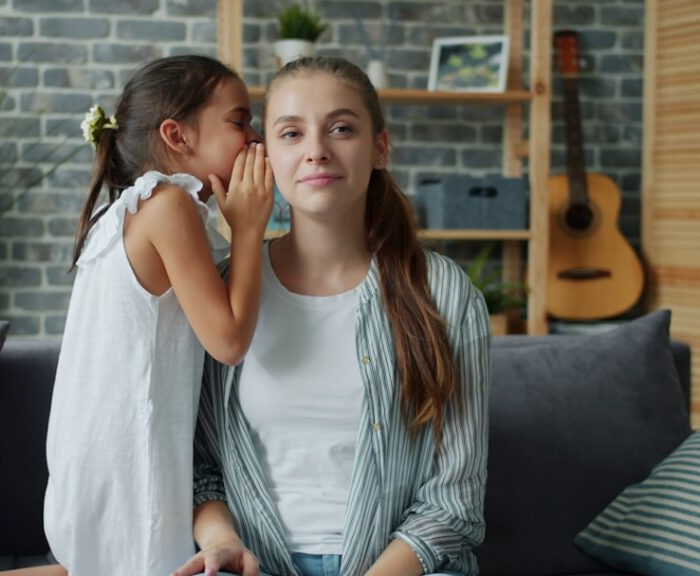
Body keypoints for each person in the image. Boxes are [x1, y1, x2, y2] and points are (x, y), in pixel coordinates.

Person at [0, 54, 274, 576]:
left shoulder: (122, 212)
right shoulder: (169, 207)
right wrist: (248, 230)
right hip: (130, 460)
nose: (254, 137)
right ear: (177, 135)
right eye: (239, 121)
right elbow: (228, 341)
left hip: (89, 456)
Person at [172, 56, 492, 576]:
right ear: (264, 155)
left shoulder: (443, 292)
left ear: (380, 148)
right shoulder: (223, 294)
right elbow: (201, 466)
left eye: (341, 128)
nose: (317, 150)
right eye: (291, 133)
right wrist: (220, 541)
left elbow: (454, 503)